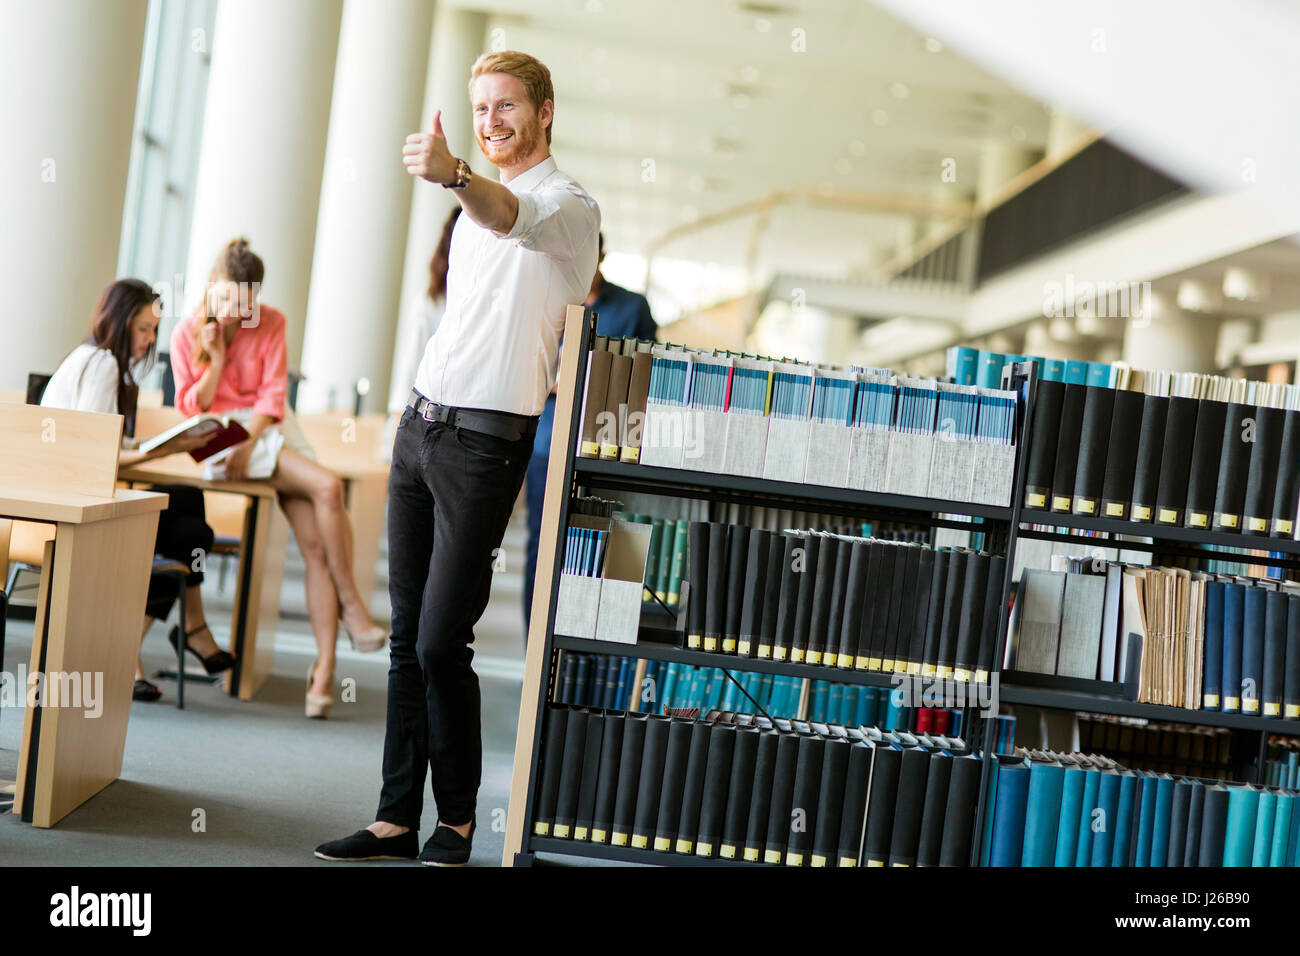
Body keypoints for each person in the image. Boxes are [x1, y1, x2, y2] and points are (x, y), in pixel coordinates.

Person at [315, 49, 599, 866]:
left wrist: (454, 173)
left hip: (484, 445)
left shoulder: (570, 209)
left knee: (444, 639)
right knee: (409, 635)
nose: (491, 121)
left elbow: (517, 216)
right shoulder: (468, 215)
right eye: (480, 109)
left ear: (545, 112)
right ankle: (395, 818)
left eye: (506, 106)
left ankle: (461, 821)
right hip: (421, 426)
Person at [170, 238, 388, 719]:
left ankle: (325, 671)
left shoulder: (271, 321)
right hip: (219, 438)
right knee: (329, 487)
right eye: (225, 300)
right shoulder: (188, 332)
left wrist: (251, 440)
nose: (231, 314)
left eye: (242, 305)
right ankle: (353, 608)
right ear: (212, 286)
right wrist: (218, 358)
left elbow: (272, 399)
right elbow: (193, 407)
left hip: (269, 430)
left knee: (314, 543)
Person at [41, 278, 233, 702]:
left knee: (189, 514)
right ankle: (179, 635)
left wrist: (169, 445)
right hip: (74, 508)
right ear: (122, 321)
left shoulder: (91, 359)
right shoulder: (102, 364)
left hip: (76, 496)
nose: (149, 340)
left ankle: (165, 639)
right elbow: (96, 455)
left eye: (153, 331)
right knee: (191, 529)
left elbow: (100, 443)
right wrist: (161, 452)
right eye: (144, 329)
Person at [521, 231, 656, 634]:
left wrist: (585, 378)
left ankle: (599, 643)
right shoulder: (546, 303)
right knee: (543, 545)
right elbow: (525, 369)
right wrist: (554, 380)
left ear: (601, 256)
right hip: (550, 444)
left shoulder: (632, 307)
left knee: (611, 545)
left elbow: (647, 373)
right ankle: (538, 646)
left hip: (611, 444)